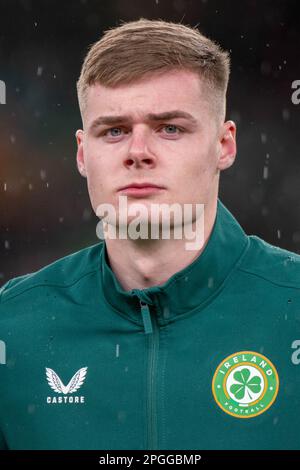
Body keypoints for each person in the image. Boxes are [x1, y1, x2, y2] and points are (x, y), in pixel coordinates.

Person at [0, 18, 300, 451]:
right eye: (115, 131)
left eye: (169, 128)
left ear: (224, 144)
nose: (138, 153)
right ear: (83, 154)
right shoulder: (13, 328)